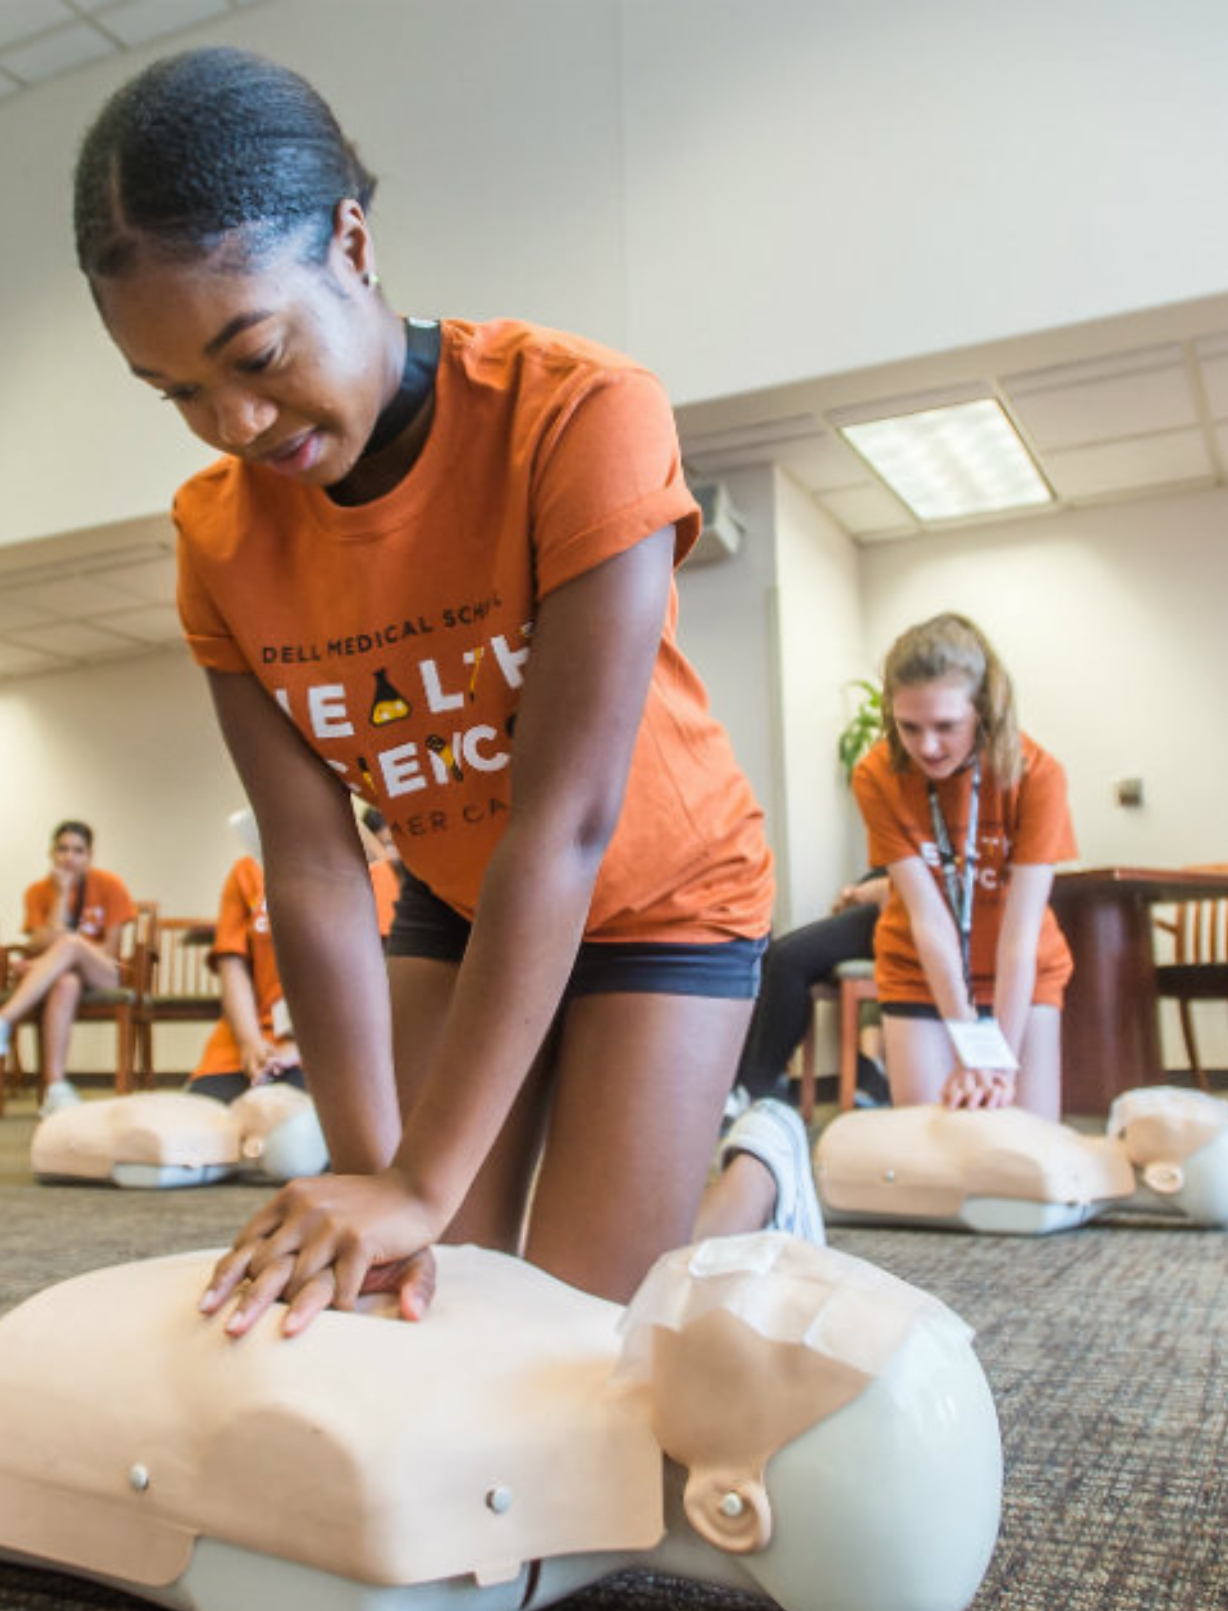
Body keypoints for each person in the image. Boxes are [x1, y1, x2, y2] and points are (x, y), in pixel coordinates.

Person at [71, 46, 806, 1336]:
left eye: (255, 353)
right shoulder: (216, 539)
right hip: (459, 903)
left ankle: (759, 1174)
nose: (234, 423)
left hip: (660, 895)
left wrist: (420, 1175)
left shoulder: (579, 414)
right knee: (420, 1305)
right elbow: (311, 868)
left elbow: (563, 823)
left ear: (350, 243)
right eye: (177, 391)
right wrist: (377, 1183)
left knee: (576, 1337)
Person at [849, 614, 1076, 1120]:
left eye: (946, 726)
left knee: (1025, 1151)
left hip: (1021, 972)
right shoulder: (876, 775)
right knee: (937, 1152)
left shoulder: (1038, 775)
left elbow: (1021, 936)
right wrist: (970, 1043)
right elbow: (929, 919)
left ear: (984, 711)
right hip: (920, 971)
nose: (927, 746)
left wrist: (998, 1062)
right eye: (909, 727)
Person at [186, 812, 403, 1103]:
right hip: (248, 1044)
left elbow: (380, 977)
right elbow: (232, 964)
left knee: (287, 1133)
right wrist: (250, 1042)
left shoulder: (375, 871)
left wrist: (304, 1050)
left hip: (337, 1045)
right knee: (200, 1127)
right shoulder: (246, 872)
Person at [0, 820, 138, 1115]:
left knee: (72, 945)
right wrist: (62, 895)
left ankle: (0, 1021)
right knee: (66, 983)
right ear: (51, 853)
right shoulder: (38, 891)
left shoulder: (110, 885)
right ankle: (55, 1089)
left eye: (78, 850)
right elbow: (40, 941)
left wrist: (47, 960)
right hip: (61, 975)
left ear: (89, 855)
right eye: (62, 849)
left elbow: (109, 950)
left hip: (105, 972)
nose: (69, 857)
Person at [727, 872, 891, 1115]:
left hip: (904, 910)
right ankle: (746, 1084)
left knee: (787, 960)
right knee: (773, 955)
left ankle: (758, 1090)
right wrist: (856, 890)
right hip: (887, 896)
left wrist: (861, 892)